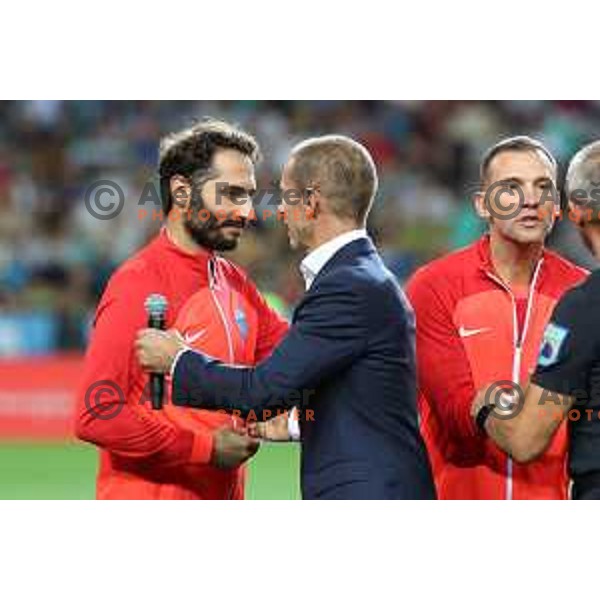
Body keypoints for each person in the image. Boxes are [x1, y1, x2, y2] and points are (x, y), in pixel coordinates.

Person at [135, 135, 436, 500]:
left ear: (310, 203)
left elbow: (263, 390)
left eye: (285, 196)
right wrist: (299, 423)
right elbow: (360, 396)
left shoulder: (348, 287)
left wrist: (178, 360)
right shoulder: (361, 278)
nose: (278, 211)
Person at [75, 118, 288, 499]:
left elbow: (295, 361)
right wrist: (204, 448)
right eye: (232, 194)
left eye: (249, 195)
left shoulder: (234, 282)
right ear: (182, 192)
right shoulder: (139, 282)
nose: (248, 212)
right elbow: (97, 414)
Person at [405, 136, 588, 499]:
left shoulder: (582, 293)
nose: (531, 199)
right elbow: (456, 413)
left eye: (543, 187)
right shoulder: (434, 285)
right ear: (482, 205)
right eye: (511, 187)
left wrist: (492, 402)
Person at [471, 141, 600, 499]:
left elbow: (526, 440)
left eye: (543, 188)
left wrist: (485, 408)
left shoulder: (583, 304)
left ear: (573, 211)